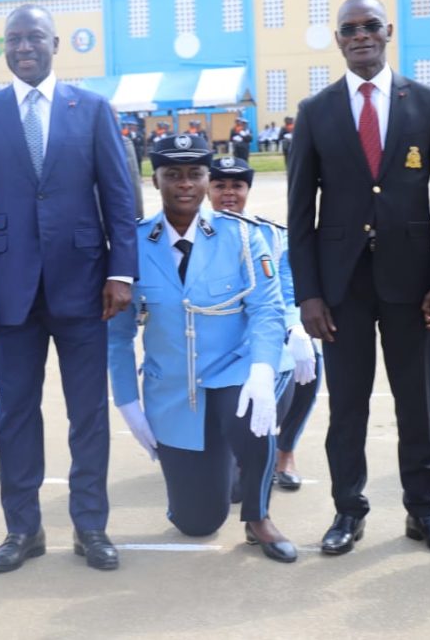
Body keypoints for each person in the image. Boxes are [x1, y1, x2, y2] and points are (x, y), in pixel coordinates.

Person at [0, 3, 138, 573]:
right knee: (16, 416)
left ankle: (90, 527)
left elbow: (120, 198)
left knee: (88, 413)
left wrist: (121, 271)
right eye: (14, 39)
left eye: (35, 37)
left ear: (56, 43)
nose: (24, 46)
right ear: (2, 48)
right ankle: (23, 530)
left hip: (84, 285)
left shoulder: (94, 109)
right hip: (8, 289)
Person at [286, 0, 430, 556]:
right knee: (349, 406)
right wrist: (309, 293)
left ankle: (424, 512)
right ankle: (348, 510)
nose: (360, 35)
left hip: (413, 283)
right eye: (348, 28)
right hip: (341, 288)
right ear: (337, 40)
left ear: (388, 31)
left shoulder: (429, 103)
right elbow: (299, 213)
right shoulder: (316, 111)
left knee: (417, 402)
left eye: (370, 25)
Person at [109, 136, 297, 561]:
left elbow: (267, 310)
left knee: (251, 413)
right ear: (155, 180)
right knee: (197, 523)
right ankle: (217, 472)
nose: (185, 184)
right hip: (174, 389)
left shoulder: (242, 237)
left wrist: (263, 371)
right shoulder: (133, 244)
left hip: (235, 370)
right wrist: (127, 402)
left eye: (195, 174)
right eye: (172, 174)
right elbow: (117, 333)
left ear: (207, 178)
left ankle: (257, 515)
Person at [208, 155, 320, 492]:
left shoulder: (271, 235)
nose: (229, 193)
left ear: (248, 190)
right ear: (207, 189)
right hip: (217, 337)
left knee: (309, 358)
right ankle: (228, 452)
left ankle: (285, 451)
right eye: (220, 185)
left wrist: (295, 327)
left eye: (237, 186)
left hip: (262, 330)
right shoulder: (197, 234)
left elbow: (286, 293)